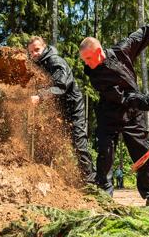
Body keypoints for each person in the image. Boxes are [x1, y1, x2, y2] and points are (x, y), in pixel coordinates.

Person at [79, 18, 149, 206]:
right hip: (109, 116)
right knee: (105, 156)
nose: (86, 64)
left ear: (99, 52)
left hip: (132, 115)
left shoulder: (123, 49)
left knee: (143, 153)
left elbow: (146, 31)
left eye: (88, 58)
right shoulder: (96, 76)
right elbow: (124, 97)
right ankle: (104, 198)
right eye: (84, 60)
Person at [26, 37, 96, 185]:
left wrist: (40, 96)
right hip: (58, 110)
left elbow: (60, 87)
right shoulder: (37, 65)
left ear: (44, 47)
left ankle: (91, 182)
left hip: (73, 107)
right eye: (31, 52)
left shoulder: (55, 62)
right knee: (47, 141)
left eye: (37, 49)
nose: (34, 54)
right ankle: (43, 180)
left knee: (78, 143)